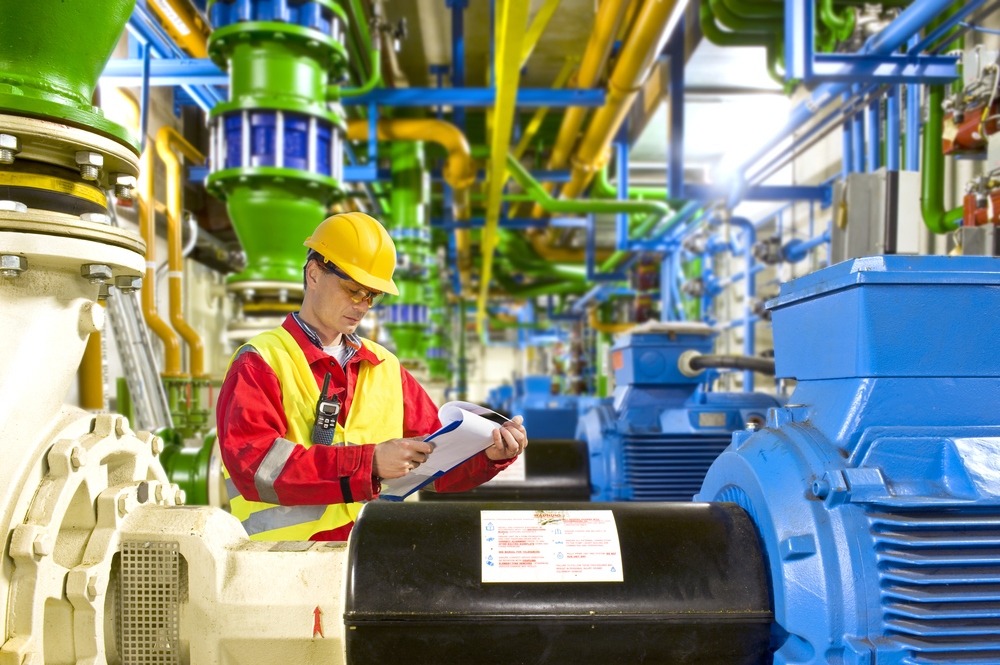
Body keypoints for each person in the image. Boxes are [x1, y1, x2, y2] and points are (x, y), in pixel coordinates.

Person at [216, 212, 529, 541]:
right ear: (313, 274)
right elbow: (254, 468)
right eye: (353, 290)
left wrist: (487, 456)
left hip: (373, 558)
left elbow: (436, 463)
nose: (363, 305)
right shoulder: (260, 362)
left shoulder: (385, 366)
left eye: (371, 296)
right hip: (287, 569)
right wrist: (370, 463)